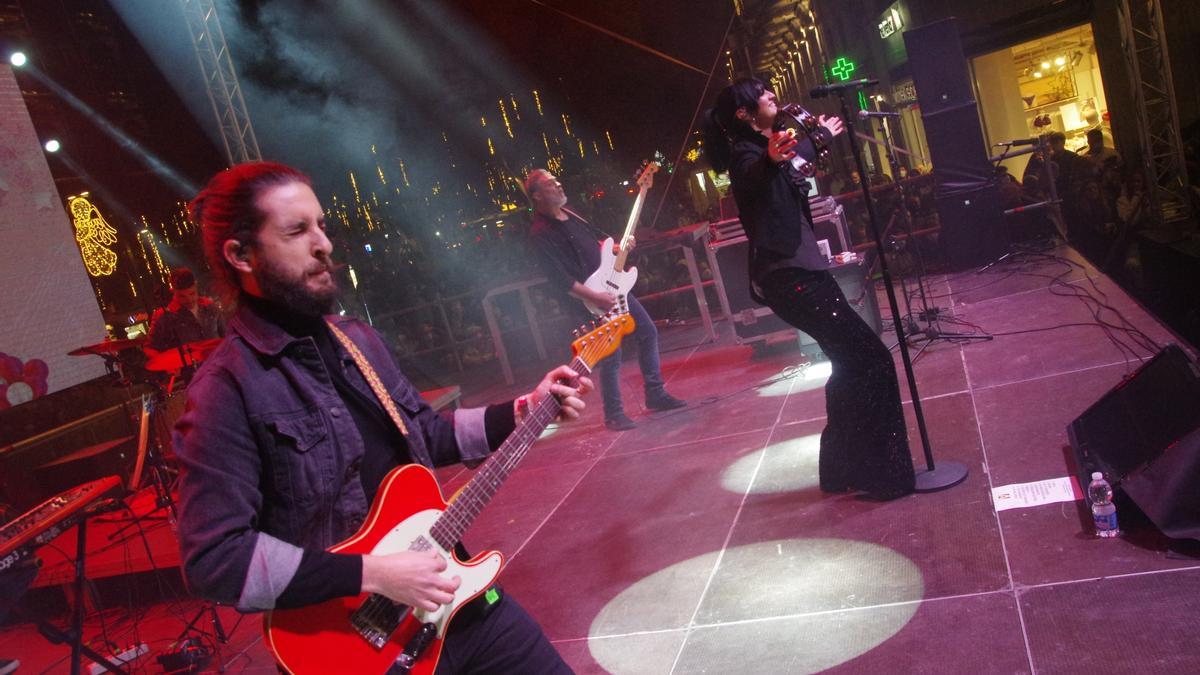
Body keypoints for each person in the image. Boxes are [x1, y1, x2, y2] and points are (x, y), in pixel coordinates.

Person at [174, 162, 589, 673]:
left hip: (457, 601)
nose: (323, 244)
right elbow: (214, 558)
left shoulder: (358, 340)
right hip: (363, 647)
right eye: (297, 231)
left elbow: (428, 432)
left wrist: (525, 409)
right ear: (240, 254)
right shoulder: (227, 389)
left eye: (321, 225)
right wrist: (371, 573)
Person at [703, 78, 915, 500]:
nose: (771, 97)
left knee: (850, 364)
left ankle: (841, 470)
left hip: (801, 273)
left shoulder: (771, 148)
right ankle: (881, 475)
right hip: (790, 279)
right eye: (762, 95)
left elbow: (793, 164)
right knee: (872, 360)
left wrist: (815, 141)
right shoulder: (745, 157)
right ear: (744, 114)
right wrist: (806, 141)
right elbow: (757, 173)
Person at [525, 169, 686, 431]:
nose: (559, 184)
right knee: (611, 354)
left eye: (557, 179)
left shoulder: (572, 214)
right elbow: (559, 279)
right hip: (588, 299)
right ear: (537, 195)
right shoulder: (540, 233)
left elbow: (594, 247)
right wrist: (595, 297)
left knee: (647, 332)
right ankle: (613, 413)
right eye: (551, 184)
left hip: (612, 288)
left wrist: (616, 249)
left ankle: (655, 394)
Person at [147, 267, 223, 352]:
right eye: (182, 296)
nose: (189, 300)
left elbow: (227, 336)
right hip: (191, 364)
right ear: (173, 292)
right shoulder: (163, 317)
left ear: (196, 286)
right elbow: (150, 349)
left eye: (192, 293)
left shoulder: (210, 307)